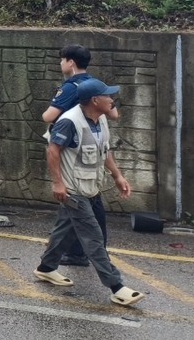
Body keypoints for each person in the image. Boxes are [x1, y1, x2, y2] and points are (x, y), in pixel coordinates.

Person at [33, 79, 145, 308]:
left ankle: (46, 268)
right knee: (94, 238)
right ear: (95, 100)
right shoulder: (69, 122)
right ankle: (117, 287)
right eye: (108, 96)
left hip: (92, 188)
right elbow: (52, 151)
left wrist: (117, 176)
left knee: (66, 231)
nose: (112, 99)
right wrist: (58, 183)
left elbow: (105, 150)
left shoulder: (100, 119)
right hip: (74, 192)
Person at [40, 45, 119, 266]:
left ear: (70, 62)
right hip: (92, 148)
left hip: (70, 149)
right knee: (84, 200)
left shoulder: (70, 87)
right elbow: (114, 114)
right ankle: (77, 251)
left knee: (74, 199)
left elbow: (48, 117)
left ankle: (77, 255)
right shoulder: (96, 84)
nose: (61, 64)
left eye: (62, 60)